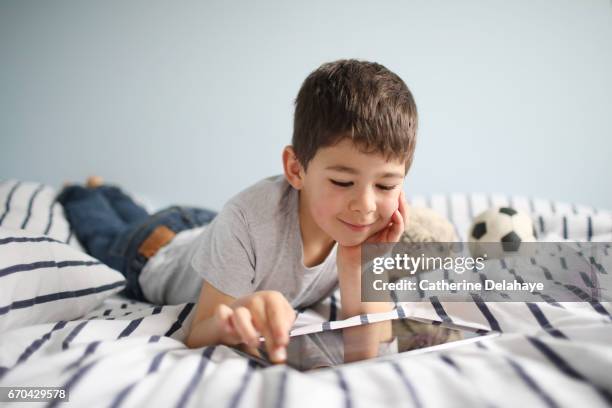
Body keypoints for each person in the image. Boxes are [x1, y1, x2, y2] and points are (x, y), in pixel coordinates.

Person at [58, 59, 418, 364]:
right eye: (342, 182)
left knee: (137, 211)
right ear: (296, 169)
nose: (366, 206)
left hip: (204, 228)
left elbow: (368, 355)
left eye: (386, 186)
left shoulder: (363, 230)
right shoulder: (248, 219)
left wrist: (359, 264)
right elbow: (199, 333)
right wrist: (233, 321)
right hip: (153, 251)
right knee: (103, 229)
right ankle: (86, 190)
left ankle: (108, 189)